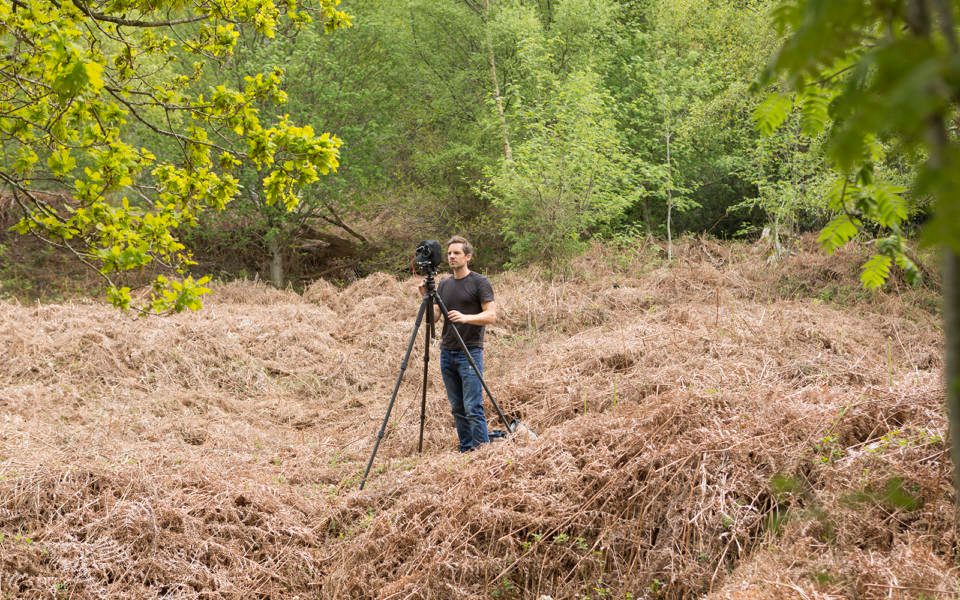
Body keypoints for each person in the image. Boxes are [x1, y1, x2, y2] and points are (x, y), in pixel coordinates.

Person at [421, 236, 497, 452]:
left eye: (456, 253)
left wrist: (465, 318)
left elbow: (491, 316)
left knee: (473, 407)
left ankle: (483, 452)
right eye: (449, 254)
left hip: (470, 351)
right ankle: (466, 449)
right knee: (457, 407)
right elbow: (433, 318)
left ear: (468, 256)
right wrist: (425, 297)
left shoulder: (479, 282)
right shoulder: (444, 284)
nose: (452, 257)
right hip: (448, 352)